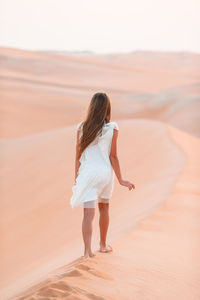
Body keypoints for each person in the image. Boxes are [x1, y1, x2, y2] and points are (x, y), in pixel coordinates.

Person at [70, 92, 135, 259]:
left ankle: (87, 252)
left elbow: (78, 156)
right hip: (105, 173)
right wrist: (121, 179)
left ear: (91, 107)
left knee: (87, 214)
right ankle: (103, 245)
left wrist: (77, 180)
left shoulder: (81, 127)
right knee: (104, 207)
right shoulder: (112, 127)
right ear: (107, 108)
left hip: (88, 174)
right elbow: (113, 156)